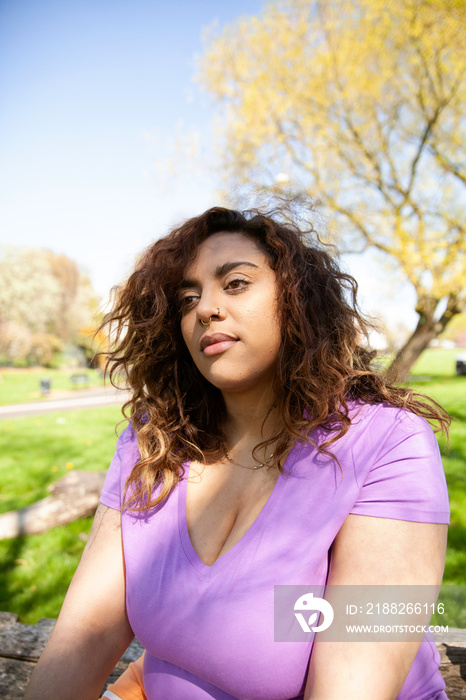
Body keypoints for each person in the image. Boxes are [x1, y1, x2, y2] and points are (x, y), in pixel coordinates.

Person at [24, 206, 450, 700]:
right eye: (188, 297)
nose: (205, 308)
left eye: (236, 283)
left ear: (297, 301)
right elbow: (82, 640)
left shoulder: (386, 445)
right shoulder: (155, 444)